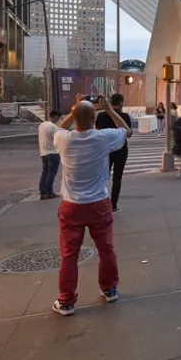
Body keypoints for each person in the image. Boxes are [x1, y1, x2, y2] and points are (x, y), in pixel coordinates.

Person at [52, 94, 130, 316]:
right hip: (98, 203)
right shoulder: (103, 138)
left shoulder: (64, 139)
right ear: (95, 117)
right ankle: (110, 289)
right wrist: (109, 109)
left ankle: (66, 301)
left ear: (75, 118)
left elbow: (58, 128)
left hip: (71, 206)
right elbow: (127, 130)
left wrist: (74, 109)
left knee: (69, 255)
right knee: (106, 249)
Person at [95, 93, 133, 213]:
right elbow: (129, 133)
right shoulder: (124, 116)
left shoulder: (101, 115)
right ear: (121, 102)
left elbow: (97, 130)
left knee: (102, 176)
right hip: (121, 150)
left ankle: (100, 202)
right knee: (117, 177)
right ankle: (113, 205)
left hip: (105, 149)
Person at [38, 109, 63, 199]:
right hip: (53, 152)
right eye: (58, 118)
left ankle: (42, 191)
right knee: (51, 173)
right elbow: (58, 139)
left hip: (43, 152)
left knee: (45, 172)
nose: (58, 120)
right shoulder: (53, 127)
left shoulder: (41, 125)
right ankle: (49, 192)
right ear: (55, 116)